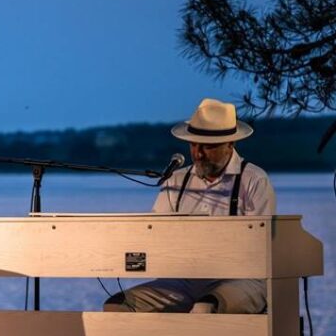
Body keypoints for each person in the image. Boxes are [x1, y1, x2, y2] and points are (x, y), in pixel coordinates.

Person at [104, 98, 276, 314]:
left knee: (204, 307)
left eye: (208, 146)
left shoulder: (253, 180)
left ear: (230, 144)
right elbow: (155, 234)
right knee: (118, 306)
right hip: (183, 281)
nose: (198, 153)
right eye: (193, 144)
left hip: (241, 279)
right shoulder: (176, 179)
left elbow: (260, 246)